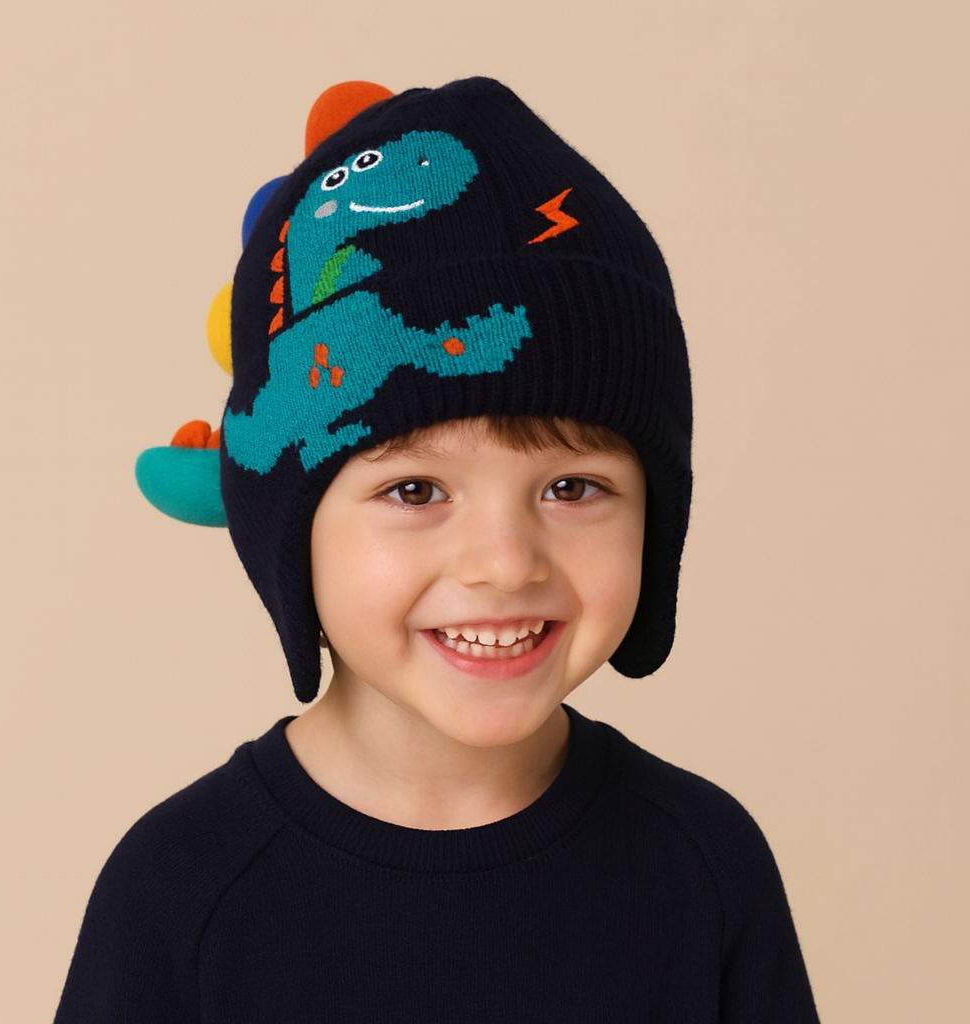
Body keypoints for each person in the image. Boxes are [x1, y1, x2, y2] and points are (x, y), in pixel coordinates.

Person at [55, 77, 820, 1022]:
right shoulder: (179, 890)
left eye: (572, 488)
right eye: (415, 491)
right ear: (290, 533)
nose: (505, 562)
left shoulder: (705, 867)